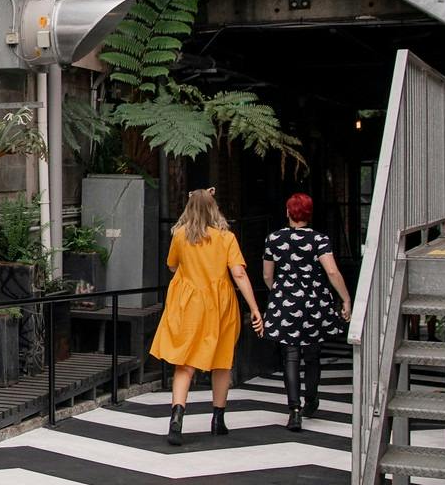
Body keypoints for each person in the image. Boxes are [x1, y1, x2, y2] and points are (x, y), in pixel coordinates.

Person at [150, 188, 263, 446]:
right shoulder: (226, 238)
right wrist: (254, 308)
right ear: (214, 209)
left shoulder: (180, 236)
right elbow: (239, 274)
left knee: (184, 363)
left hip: (188, 304)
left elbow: (171, 266)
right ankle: (217, 419)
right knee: (222, 360)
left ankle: (177, 418)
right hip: (219, 305)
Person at [261, 192, 352, 431]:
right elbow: (332, 272)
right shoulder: (319, 240)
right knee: (312, 354)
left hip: (285, 301)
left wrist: (280, 292)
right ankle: (311, 399)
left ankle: (294, 410)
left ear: (288, 212)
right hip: (314, 302)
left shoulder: (273, 238)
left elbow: (267, 275)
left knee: (290, 355)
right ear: (309, 214)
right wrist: (346, 299)